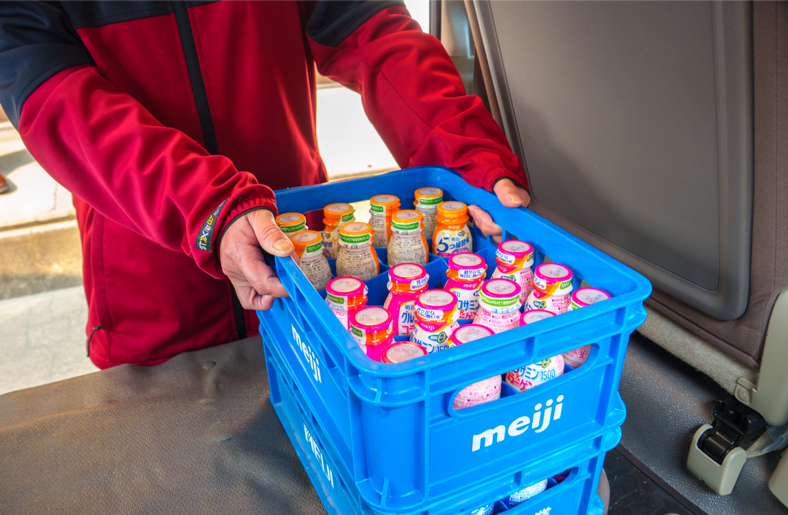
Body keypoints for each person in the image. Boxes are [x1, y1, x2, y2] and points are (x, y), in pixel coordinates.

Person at [0, 0, 529, 369]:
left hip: (300, 258)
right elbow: (54, 101)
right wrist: (210, 205)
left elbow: (368, 27)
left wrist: (464, 151)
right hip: (152, 288)